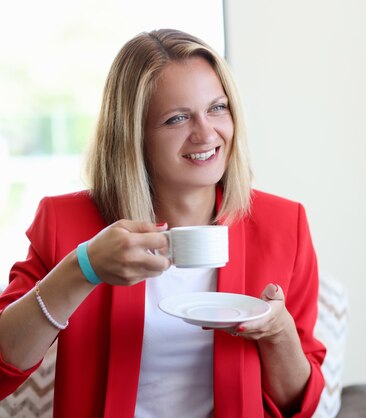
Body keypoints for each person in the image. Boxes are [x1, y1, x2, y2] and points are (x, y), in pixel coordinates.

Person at [0, 29, 325, 418]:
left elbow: (298, 406)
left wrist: (277, 332)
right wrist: (83, 268)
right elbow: (4, 368)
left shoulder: (283, 224)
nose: (206, 133)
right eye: (177, 118)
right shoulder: (67, 222)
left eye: (217, 108)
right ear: (133, 136)